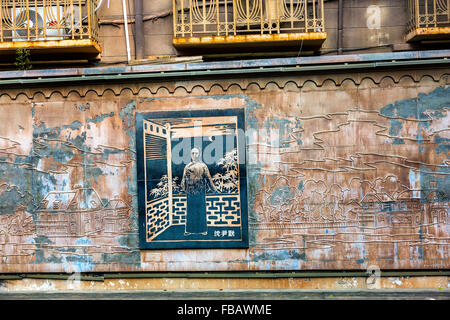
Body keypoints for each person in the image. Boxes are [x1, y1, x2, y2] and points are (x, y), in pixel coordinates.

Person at [181, 147, 217, 236]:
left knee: (201, 211)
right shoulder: (187, 166)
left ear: (199, 154)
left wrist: (214, 189)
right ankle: (189, 230)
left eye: (196, 153)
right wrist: (185, 189)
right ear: (190, 154)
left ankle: (203, 230)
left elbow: (209, 178)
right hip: (190, 192)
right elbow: (183, 180)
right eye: (193, 153)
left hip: (201, 191)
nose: (194, 155)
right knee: (190, 211)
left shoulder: (203, 166)